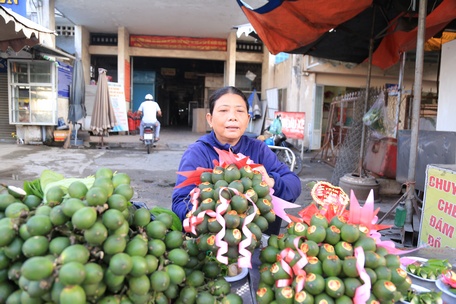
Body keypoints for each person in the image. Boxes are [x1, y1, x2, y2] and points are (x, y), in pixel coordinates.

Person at [171, 86, 301, 235]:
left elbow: (294, 185)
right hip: (213, 246)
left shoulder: (259, 149)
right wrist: (212, 214)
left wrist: (271, 182)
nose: (232, 117)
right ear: (210, 119)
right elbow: (180, 203)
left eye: (239, 111)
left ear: (248, 118)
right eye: (223, 110)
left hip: (261, 243)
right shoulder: (198, 152)